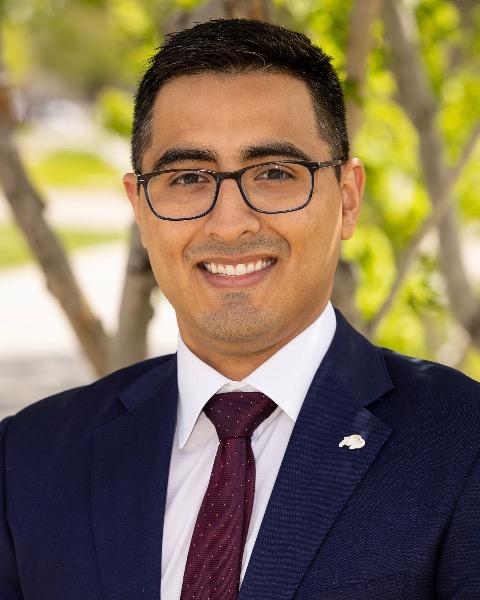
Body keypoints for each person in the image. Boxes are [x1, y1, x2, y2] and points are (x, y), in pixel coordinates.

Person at [1, 18, 479, 600]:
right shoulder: (26, 461)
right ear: (141, 208)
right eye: (188, 177)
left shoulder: (463, 445)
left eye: (275, 173)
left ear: (348, 199)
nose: (229, 223)